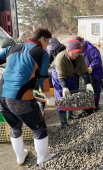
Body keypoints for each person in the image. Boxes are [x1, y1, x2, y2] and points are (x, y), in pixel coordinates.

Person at [0, 28, 56, 165]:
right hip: (20, 98)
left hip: (2, 94)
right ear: (42, 39)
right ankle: (43, 157)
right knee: (39, 128)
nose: (47, 45)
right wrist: (49, 97)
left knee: (14, 126)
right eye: (47, 42)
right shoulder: (41, 53)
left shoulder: (13, 47)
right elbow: (43, 79)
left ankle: (20, 157)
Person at [52, 39, 94, 128]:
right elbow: (61, 75)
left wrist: (88, 84)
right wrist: (64, 87)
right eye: (73, 52)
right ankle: (63, 122)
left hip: (71, 74)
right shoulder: (60, 58)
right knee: (62, 98)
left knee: (72, 94)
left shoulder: (80, 56)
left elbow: (84, 71)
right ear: (68, 50)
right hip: (59, 76)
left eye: (77, 52)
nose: (75, 54)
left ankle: (70, 113)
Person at [73, 36, 103, 110]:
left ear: (83, 44)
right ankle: (88, 106)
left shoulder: (91, 50)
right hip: (86, 72)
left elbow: (97, 60)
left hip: (95, 72)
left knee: (96, 89)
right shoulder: (79, 50)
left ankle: (96, 106)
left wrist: (91, 67)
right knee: (85, 89)